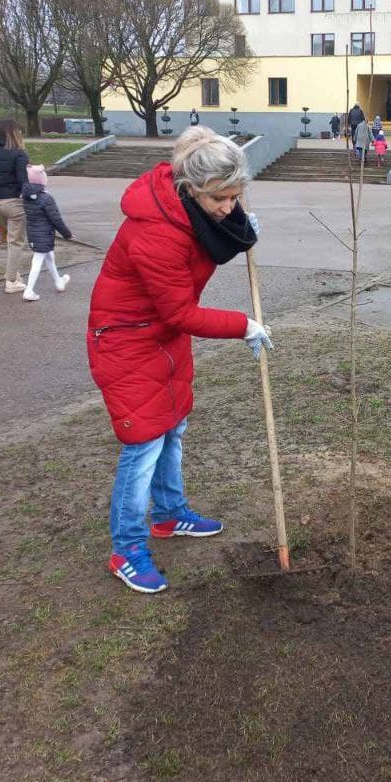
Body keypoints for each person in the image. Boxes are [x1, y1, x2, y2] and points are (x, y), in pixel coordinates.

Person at [87, 126, 274, 594]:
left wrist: (240, 231)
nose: (229, 207)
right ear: (192, 190)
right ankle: (126, 549)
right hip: (127, 341)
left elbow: (207, 245)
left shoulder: (189, 210)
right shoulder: (155, 232)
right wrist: (242, 325)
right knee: (143, 443)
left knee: (173, 427)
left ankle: (169, 516)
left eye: (236, 197)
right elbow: (181, 310)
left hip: (161, 336)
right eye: (222, 199)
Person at [0, 120, 29, 292]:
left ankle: (14, 274)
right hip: (14, 203)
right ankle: (11, 281)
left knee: (8, 241)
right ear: (16, 134)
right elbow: (23, 182)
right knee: (16, 242)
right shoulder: (19, 154)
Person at [20, 164, 73, 302]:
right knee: (38, 260)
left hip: (34, 233)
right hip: (44, 234)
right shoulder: (46, 198)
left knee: (49, 256)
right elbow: (56, 219)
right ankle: (29, 290)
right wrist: (67, 234)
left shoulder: (25, 197)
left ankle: (58, 281)